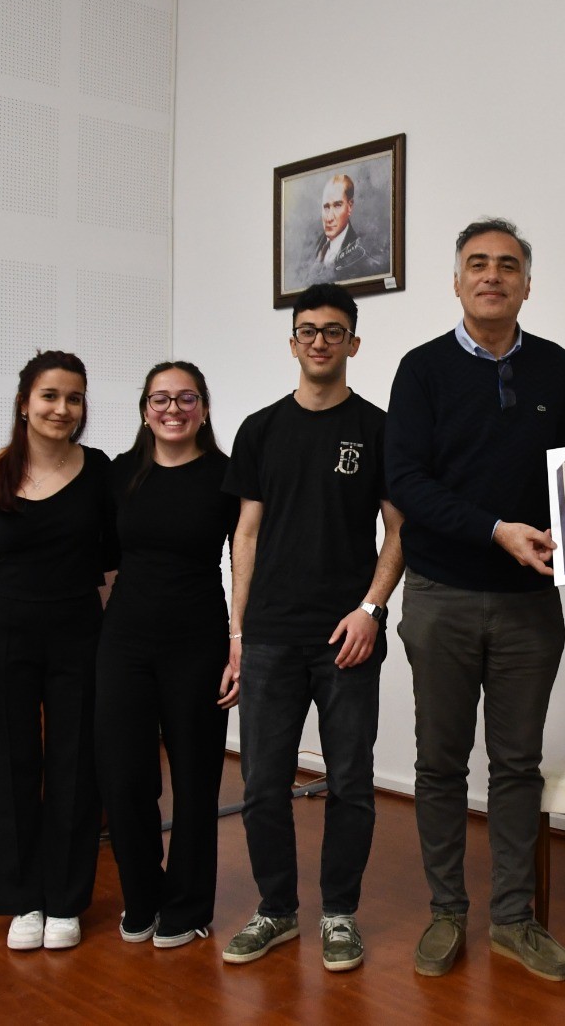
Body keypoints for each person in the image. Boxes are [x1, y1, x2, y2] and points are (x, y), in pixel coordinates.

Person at [386, 217, 565, 983]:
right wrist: (494, 530)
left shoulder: (554, 365)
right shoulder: (421, 369)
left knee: (518, 765)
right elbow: (406, 483)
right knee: (440, 763)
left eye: (508, 265)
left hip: (529, 603)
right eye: (478, 264)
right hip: (441, 597)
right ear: (457, 281)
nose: (493, 275)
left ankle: (515, 920)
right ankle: (447, 911)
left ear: (526, 284)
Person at [218, 282, 402, 973]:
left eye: (333, 331)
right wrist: (238, 633)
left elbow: (399, 530)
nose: (319, 341)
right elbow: (245, 534)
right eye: (308, 330)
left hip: (346, 636)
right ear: (292, 341)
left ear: (353, 342)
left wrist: (371, 610)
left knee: (350, 781)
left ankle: (339, 915)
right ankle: (276, 910)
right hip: (269, 635)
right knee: (263, 784)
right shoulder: (260, 429)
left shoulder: (379, 429)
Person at [0, 350, 114, 953]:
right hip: (6, 632)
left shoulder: (100, 471)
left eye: (74, 398)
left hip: (79, 631)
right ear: (24, 403)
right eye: (50, 396)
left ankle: (64, 900)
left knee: (75, 764)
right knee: (5, 765)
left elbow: (113, 564)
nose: (62, 409)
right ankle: (24, 900)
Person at [95, 361, 238, 950]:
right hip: (124, 642)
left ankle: (188, 905)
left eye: (185, 398)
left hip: (198, 642)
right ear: (144, 408)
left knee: (197, 779)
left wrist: (239, 644)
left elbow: (246, 560)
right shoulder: (119, 473)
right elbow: (103, 561)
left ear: (203, 407)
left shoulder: (227, 476)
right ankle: (143, 896)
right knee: (125, 777)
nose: (172, 409)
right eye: (160, 398)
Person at [302, 173, 386, 283]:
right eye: (326, 207)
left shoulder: (364, 259)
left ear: (350, 206)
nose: (329, 217)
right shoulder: (311, 249)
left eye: (337, 205)